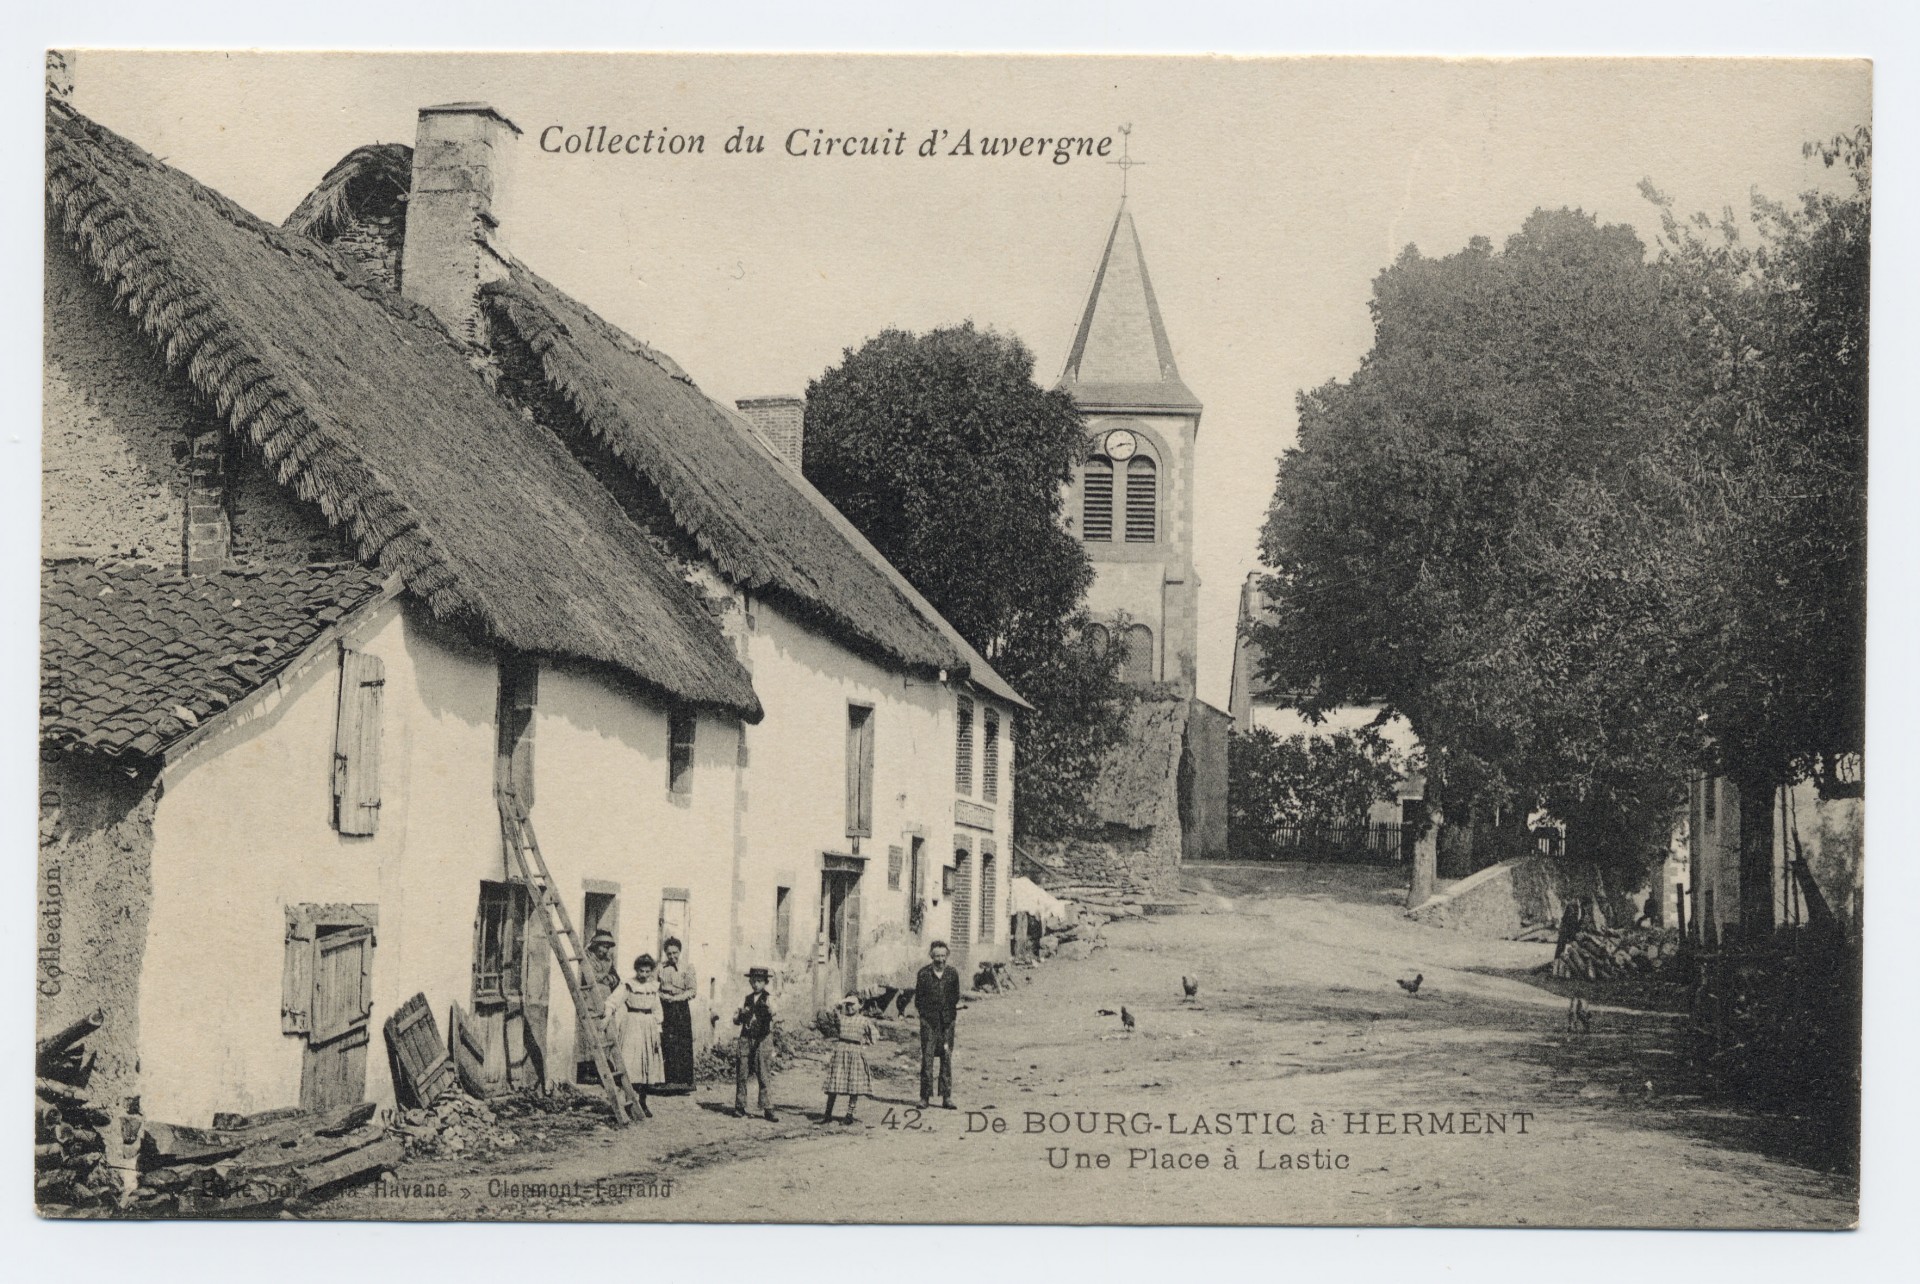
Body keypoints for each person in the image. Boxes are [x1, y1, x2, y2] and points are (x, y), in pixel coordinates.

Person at [603, 953, 665, 1118]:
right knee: (631, 1063)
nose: (644, 975)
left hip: (649, 1026)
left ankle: (643, 1102)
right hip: (632, 1025)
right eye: (641, 971)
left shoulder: (653, 987)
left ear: (651, 971)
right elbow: (613, 1001)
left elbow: (657, 1010)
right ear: (636, 970)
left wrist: (658, 1032)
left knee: (646, 1064)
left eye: (647, 971)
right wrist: (608, 1014)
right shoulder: (628, 985)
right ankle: (629, 1101)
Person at [914, 940, 960, 1110]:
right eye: (937, 956)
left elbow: (955, 996)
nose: (940, 959)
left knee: (946, 1058)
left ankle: (946, 1097)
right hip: (929, 1023)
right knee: (927, 1058)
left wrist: (948, 1014)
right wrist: (926, 1016)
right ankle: (924, 1097)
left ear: (947, 956)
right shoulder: (923, 974)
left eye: (943, 956)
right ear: (931, 956)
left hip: (947, 1023)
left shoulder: (952, 974)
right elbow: (918, 999)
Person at [820, 993, 876, 1125]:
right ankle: (827, 1114)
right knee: (834, 1083)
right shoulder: (841, 1018)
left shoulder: (864, 1020)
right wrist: (839, 1003)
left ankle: (849, 1115)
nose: (850, 1007)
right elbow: (828, 1014)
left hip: (855, 1053)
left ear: (860, 1005)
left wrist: (865, 1044)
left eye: (853, 1004)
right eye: (847, 1004)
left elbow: (874, 1036)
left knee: (853, 1085)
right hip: (840, 1052)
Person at [732, 966, 778, 1121]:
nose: (756, 984)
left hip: (763, 1038)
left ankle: (767, 1108)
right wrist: (740, 1015)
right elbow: (736, 1020)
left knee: (763, 1072)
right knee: (742, 1071)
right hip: (746, 1037)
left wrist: (768, 1010)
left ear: (765, 982)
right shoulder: (746, 999)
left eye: (759, 981)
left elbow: (774, 1013)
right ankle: (740, 1106)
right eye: (753, 981)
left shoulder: (769, 998)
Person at [577, 928, 621, 1084]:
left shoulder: (608, 961)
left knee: (606, 1032)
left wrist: (610, 979)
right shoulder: (586, 957)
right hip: (590, 999)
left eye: (608, 947)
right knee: (590, 1033)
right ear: (595, 945)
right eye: (602, 946)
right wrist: (601, 978)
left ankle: (603, 1069)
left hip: (605, 999)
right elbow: (586, 977)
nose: (605, 950)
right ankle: (587, 1070)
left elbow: (616, 979)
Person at [657, 937, 697, 1092]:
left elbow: (692, 990)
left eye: (675, 953)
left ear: (680, 951)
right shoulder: (661, 968)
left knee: (683, 1042)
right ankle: (669, 1079)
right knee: (667, 1042)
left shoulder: (687, 967)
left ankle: (684, 1081)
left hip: (681, 1008)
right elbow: (656, 986)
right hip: (665, 1006)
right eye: (669, 953)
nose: (672, 956)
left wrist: (676, 998)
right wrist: (663, 996)